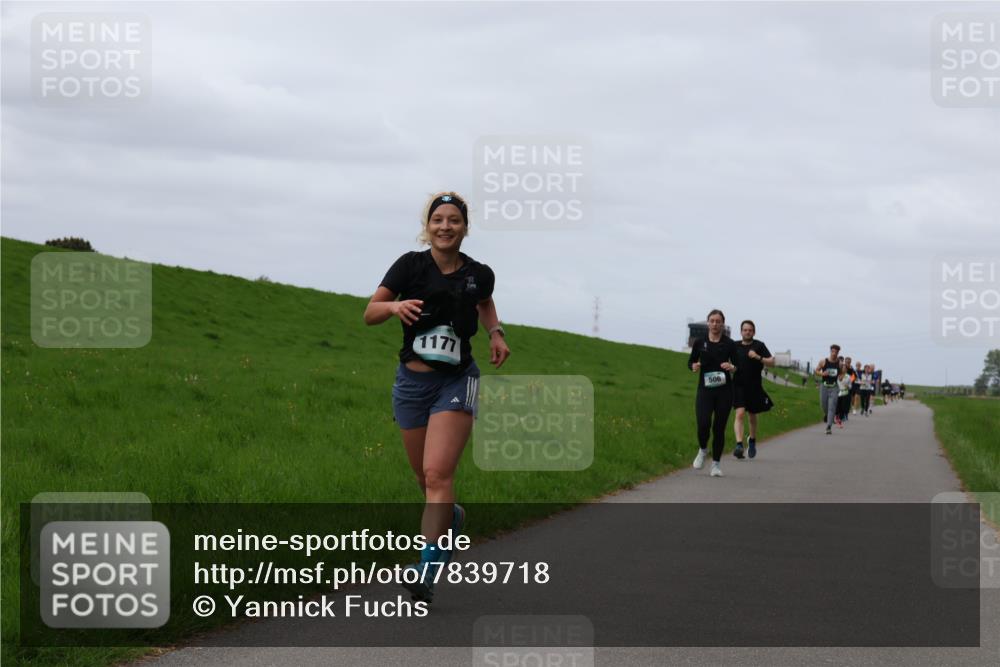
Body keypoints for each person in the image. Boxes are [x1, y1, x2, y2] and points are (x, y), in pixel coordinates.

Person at [364, 191, 511, 602]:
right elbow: (370, 312)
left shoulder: (480, 272)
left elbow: (484, 300)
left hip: (456, 381)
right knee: (422, 479)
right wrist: (393, 309)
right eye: (437, 220)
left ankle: (425, 568)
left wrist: (495, 332)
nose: (445, 227)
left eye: (454, 220)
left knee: (437, 476)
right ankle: (453, 519)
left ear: (465, 227)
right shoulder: (410, 265)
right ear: (427, 226)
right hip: (411, 384)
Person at [687, 309, 738, 477]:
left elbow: (737, 366)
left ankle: (715, 464)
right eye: (712, 321)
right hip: (705, 390)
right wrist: (693, 366)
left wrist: (732, 367)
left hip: (724, 392)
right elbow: (691, 362)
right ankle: (703, 450)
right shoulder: (699, 343)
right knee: (703, 423)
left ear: (723, 324)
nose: (715, 324)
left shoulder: (730, 344)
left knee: (719, 428)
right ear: (708, 323)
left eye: (718, 321)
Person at [731, 320, 775, 460]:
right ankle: (739, 445)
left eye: (750, 330)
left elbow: (772, 362)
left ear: (753, 332)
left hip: (754, 386)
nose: (747, 332)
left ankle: (752, 440)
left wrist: (758, 357)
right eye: (745, 330)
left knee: (752, 416)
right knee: (740, 413)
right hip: (738, 385)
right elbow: (728, 361)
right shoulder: (735, 345)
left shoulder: (759, 345)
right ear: (741, 331)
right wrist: (730, 367)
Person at [814, 345, 842, 435]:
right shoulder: (823, 361)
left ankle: (828, 426)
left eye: (836, 352)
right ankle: (827, 415)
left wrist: (840, 377)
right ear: (830, 351)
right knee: (824, 404)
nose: (834, 354)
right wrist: (822, 373)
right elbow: (816, 370)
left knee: (832, 406)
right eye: (833, 351)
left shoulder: (839, 363)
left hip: (834, 387)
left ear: (838, 353)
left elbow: (841, 373)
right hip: (824, 386)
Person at [836, 360, 852, 427]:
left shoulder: (848, 376)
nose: (844, 369)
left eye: (845, 368)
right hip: (838, 392)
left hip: (845, 392)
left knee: (843, 406)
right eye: (843, 368)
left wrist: (848, 386)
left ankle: (841, 418)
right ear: (841, 369)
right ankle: (837, 417)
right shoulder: (837, 375)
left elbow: (850, 386)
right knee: (837, 406)